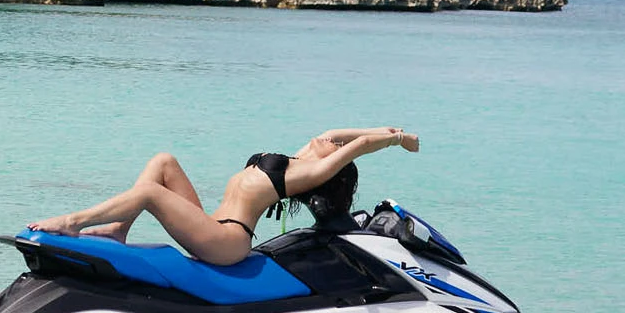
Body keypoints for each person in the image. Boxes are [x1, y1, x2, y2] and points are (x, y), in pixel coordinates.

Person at [31, 127, 420, 267]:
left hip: (227, 241)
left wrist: (399, 139)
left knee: (149, 193)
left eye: (334, 145)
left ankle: (73, 222)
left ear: (333, 160)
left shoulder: (313, 171)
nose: (329, 138)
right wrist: (390, 125)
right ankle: (117, 230)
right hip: (211, 225)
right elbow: (340, 130)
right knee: (163, 162)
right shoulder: (300, 156)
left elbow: (363, 143)